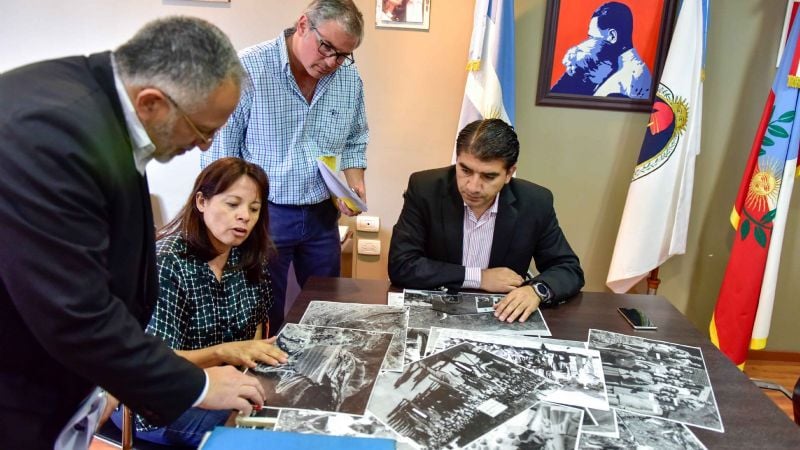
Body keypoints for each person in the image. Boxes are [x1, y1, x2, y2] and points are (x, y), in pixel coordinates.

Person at [0, 17, 266, 450]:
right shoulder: (51, 132)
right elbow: (75, 312)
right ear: (152, 102)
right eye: (202, 131)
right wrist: (197, 385)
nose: (203, 147)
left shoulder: (100, 108)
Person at [203, 0, 369, 335]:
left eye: (342, 55)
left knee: (325, 312)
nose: (331, 63)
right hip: (266, 214)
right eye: (327, 48)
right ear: (303, 25)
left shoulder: (348, 79)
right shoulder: (248, 68)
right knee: (263, 313)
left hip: (323, 215)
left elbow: (355, 138)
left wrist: (354, 184)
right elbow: (222, 154)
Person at [110, 157, 289, 446]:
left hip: (223, 386)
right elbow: (154, 361)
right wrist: (224, 353)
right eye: (233, 204)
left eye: (254, 209)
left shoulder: (248, 255)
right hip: (155, 401)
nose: (245, 216)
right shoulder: (167, 262)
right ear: (202, 202)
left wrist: (248, 359)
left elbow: (256, 328)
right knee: (260, 433)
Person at [388, 119, 584, 323]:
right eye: (465, 170)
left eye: (488, 176)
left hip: (499, 316)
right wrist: (480, 277)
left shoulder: (535, 203)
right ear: (457, 160)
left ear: (509, 173)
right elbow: (402, 265)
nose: (473, 186)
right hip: (434, 312)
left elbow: (568, 268)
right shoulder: (425, 188)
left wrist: (536, 291)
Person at [589, 2, 652, 98]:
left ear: (612, 36)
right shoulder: (625, 69)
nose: (587, 46)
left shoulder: (622, 81)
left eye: (592, 38)